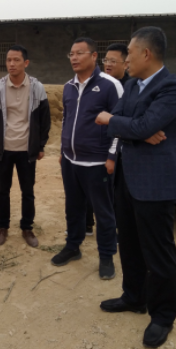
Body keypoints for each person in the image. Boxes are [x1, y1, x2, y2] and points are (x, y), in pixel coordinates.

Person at [96, 27, 176, 348]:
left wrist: (130, 125)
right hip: (126, 178)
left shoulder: (172, 88)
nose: (125, 61)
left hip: (155, 184)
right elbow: (122, 121)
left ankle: (162, 316)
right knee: (130, 244)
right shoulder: (132, 85)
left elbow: (124, 121)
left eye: (130, 55)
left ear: (146, 54)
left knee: (158, 253)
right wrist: (135, 128)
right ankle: (134, 296)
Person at [51, 38, 122, 280]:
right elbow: (66, 120)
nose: (74, 57)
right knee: (73, 207)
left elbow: (119, 123)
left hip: (98, 163)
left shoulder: (110, 86)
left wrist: (112, 156)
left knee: (103, 212)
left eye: (79, 53)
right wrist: (63, 150)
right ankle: (73, 247)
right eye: (71, 53)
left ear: (93, 56)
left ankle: (106, 256)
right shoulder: (68, 87)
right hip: (70, 161)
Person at [0, 45, 50, 248]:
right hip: (3, 149)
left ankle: (27, 228)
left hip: (26, 149)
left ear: (26, 63)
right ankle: (2, 227)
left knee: (27, 191)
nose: (11, 64)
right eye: (8, 60)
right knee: (2, 191)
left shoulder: (37, 87)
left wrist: (40, 145)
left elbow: (45, 119)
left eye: (16, 60)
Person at [83, 42, 130, 234]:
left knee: (114, 191)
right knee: (89, 186)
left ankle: (115, 229)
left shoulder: (130, 87)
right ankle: (86, 224)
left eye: (113, 61)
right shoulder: (97, 84)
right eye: (106, 60)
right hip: (95, 146)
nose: (108, 64)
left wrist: (113, 153)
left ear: (126, 63)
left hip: (119, 148)